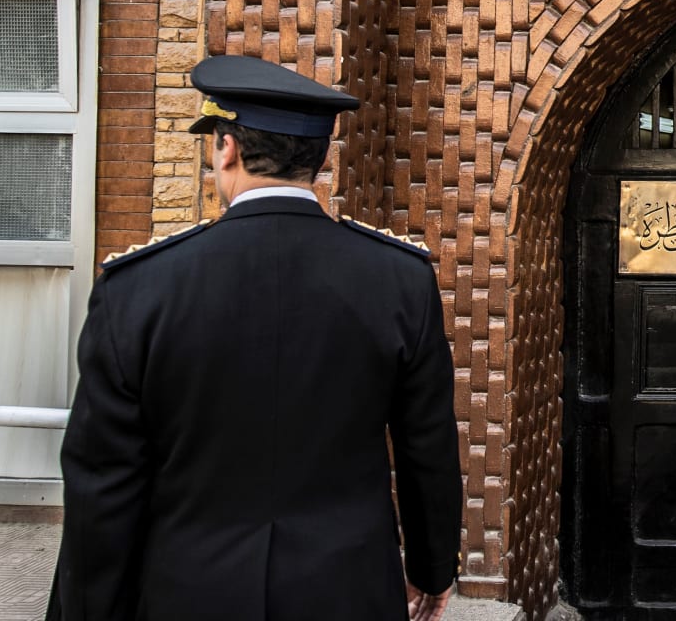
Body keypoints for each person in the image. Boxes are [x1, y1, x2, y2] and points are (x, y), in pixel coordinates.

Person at [48, 54, 463, 621]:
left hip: (188, 591)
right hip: (348, 589)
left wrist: (90, 609)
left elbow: (101, 482)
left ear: (226, 149)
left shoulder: (139, 287)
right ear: (318, 158)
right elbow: (427, 449)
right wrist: (433, 569)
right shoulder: (400, 279)